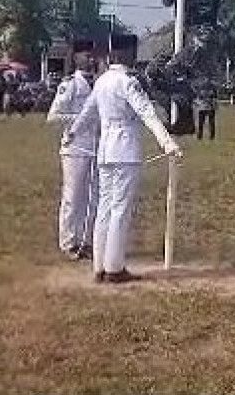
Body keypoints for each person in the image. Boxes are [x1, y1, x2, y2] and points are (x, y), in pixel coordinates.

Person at [69, 33, 182, 284]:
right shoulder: (127, 82)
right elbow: (146, 112)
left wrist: (72, 133)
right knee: (120, 209)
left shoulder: (101, 82)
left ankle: (99, 266)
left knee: (104, 209)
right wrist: (166, 141)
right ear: (127, 53)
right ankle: (114, 267)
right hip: (125, 151)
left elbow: (87, 113)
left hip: (105, 151)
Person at [146, 0, 229, 135]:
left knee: (174, 69)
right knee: (153, 72)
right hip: (180, 31)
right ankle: (181, 116)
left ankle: (186, 115)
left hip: (203, 33)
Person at [47, 40, 99, 260]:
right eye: (86, 56)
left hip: (95, 146)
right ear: (76, 58)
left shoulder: (98, 83)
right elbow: (53, 117)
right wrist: (79, 120)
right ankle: (69, 241)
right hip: (74, 146)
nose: (90, 59)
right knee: (73, 196)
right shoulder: (70, 84)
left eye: (92, 55)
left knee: (92, 197)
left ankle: (85, 241)